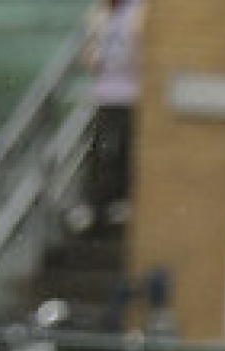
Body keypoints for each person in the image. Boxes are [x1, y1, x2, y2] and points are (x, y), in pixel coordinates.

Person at [79, 0, 143, 228]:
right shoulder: (99, 14)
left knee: (124, 149)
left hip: (132, 94)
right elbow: (89, 55)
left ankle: (120, 200)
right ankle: (95, 205)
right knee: (99, 150)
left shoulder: (137, 11)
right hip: (106, 94)